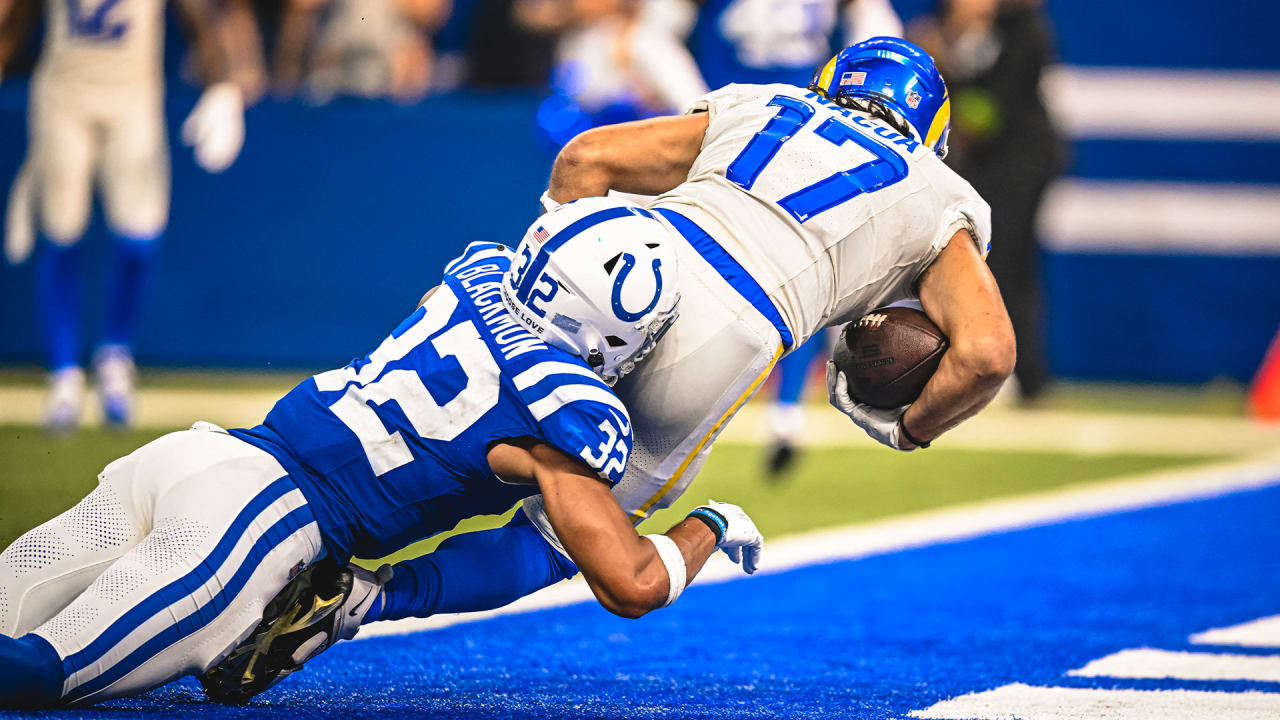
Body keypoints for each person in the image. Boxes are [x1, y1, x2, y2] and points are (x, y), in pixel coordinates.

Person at [202, 36, 1016, 703]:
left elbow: (586, 159)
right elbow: (986, 353)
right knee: (572, 536)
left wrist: (550, 278)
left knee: (489, 423)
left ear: (828, 84)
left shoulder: (766, 104)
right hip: (733, 333)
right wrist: (903, 425)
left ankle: (309, 521)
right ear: (928, 130)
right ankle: (363, 600)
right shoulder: (934, 188)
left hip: (638, 261)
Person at [0, 198, 765, 709]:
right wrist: (709, 523)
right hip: (258, 527)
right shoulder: (568, 414)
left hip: (191, 458)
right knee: (38, 674)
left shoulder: (482, 272)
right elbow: (612, 574)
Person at [0, 0, 259, 432]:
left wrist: (223, 85)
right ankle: (63, 372)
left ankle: (115, 356)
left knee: (139, 238)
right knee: (62, 234)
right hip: (64, 99)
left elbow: (200, 15)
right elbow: (20, 17)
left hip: (132, 100)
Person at [910, 0, 1063, 402]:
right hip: (982, 165)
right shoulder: (943, 27)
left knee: (1005, 261)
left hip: (1021, 163)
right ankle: (971, 365)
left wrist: (945, 66)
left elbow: (984, 115)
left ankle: (1017, 374)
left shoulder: (1025, 32)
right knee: (970, 263)